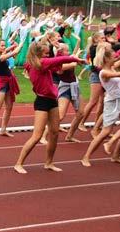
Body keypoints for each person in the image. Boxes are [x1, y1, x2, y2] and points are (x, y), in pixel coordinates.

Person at [13, 41, 83, 174]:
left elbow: (58, 65)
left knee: (55, 133)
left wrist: (63, 56)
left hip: (52, 101)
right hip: (42, 101)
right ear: (39, 54)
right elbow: (59, 59)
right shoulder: (40, 64)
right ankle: (18, 163)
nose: (48, 55)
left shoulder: (42, 64)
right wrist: (74, 58)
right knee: (37, 135)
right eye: (46, 53)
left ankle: (49, 162)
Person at [81, 49, 120, 166]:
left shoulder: (112, 66)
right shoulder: (104, 72)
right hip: (112, 102)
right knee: (106, 131)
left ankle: (116, 155)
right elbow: (119, 74)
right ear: (107, 59)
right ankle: (85, 157)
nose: (116, 58)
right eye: (113, 57)